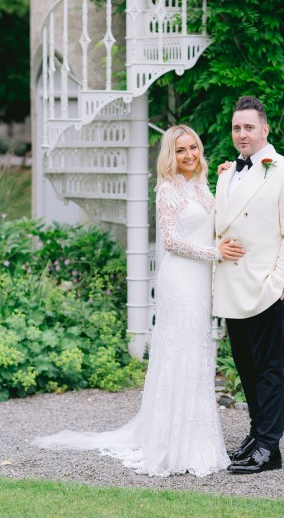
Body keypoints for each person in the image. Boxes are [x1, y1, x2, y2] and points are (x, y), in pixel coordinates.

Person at [32, 124, 244, 478]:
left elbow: (216, 215)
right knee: (178, 353)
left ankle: (196, 438)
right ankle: (169, 444)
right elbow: (173, 241)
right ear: (170, 156)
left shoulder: (201, 182)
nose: (189, 155)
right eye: (180, 150)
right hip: (180, 279)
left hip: (199, 280)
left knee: (197, 352)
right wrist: (215, 253)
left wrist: (226, 175)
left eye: (193, 147)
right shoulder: (167, 190)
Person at [213, 96, 284, 474]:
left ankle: (270, 448)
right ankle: (256, 435)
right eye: (237, 128)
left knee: (268, 367)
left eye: (249, 127)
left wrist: (279, 284)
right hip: (233, 286)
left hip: (267, 286)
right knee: (246, 365)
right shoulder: (226, 173)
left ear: (265, 129)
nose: (242, 134)